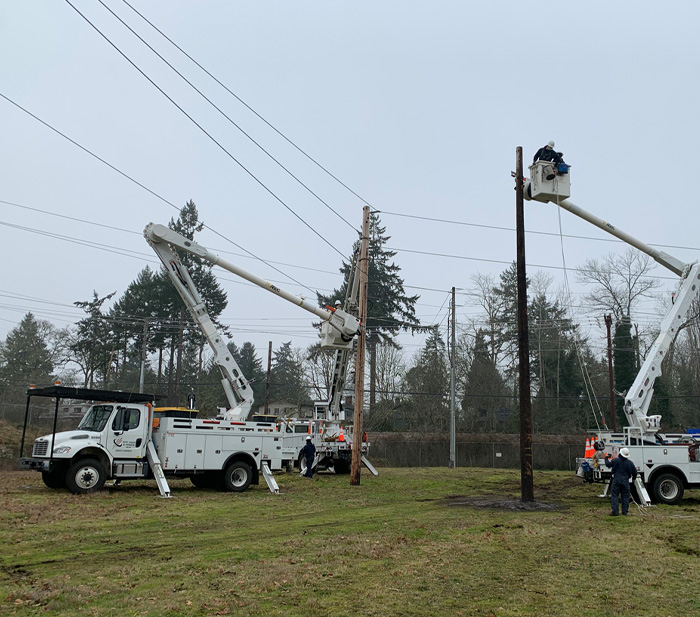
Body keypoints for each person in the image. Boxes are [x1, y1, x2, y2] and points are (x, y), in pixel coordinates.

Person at [604, 447, 638, 516]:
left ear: (620, 453)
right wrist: (634, 478)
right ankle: (625, 512)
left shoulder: (615, 460)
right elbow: (635, 472)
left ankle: (615, 511)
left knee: (615, 496)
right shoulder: (630, 463)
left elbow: (608, 464)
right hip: (625, 481)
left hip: (616, 480)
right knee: (625, 497)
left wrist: (606, 458)